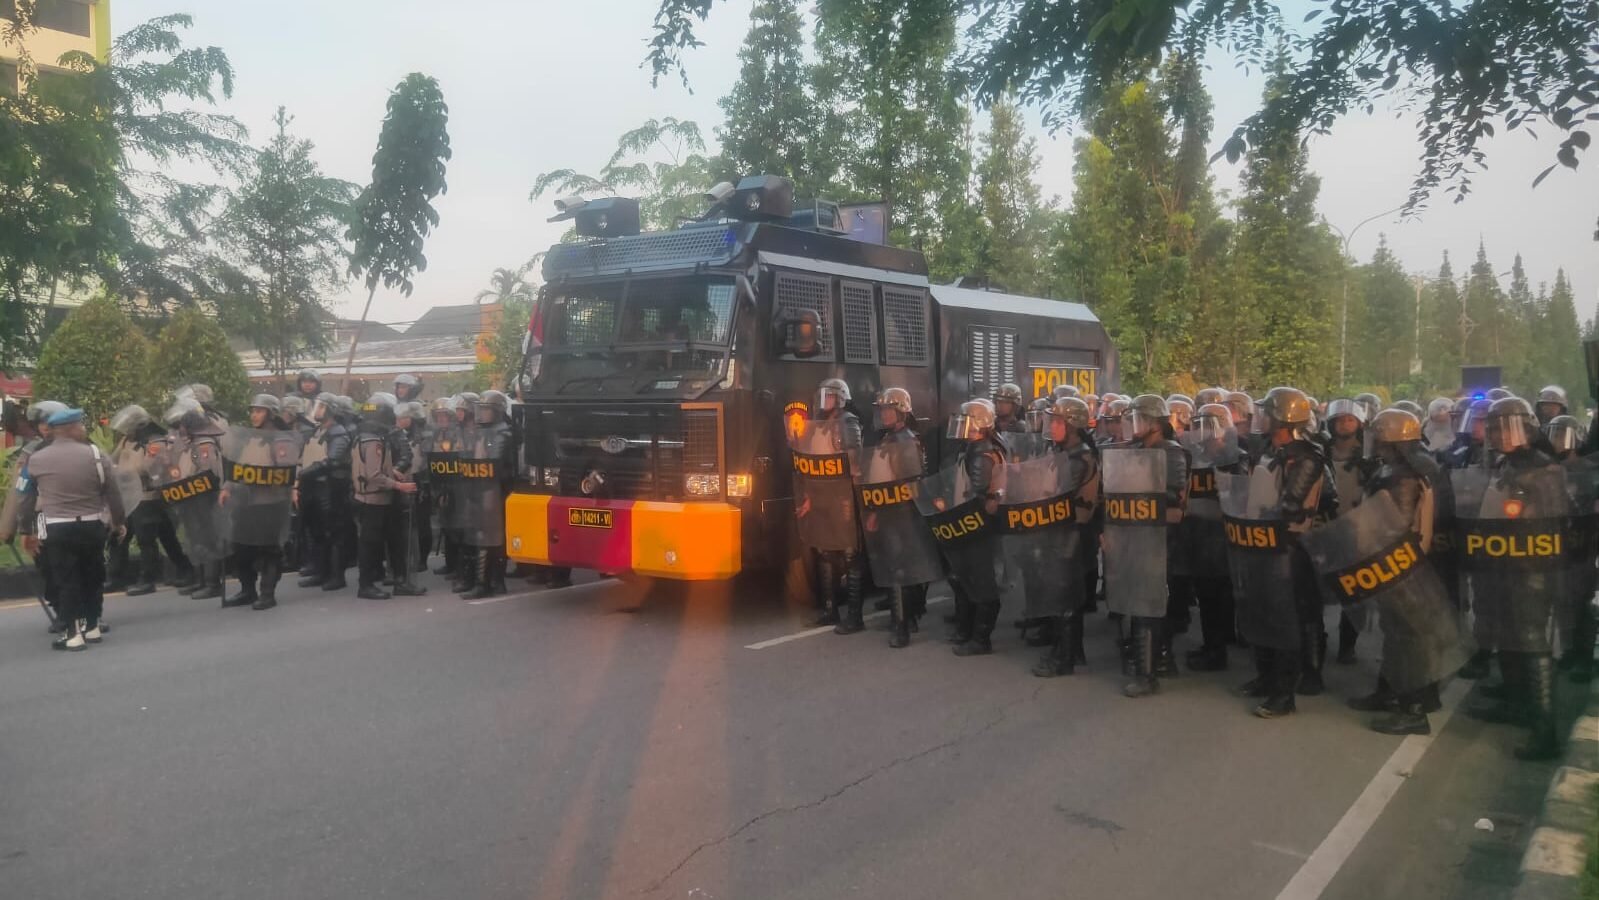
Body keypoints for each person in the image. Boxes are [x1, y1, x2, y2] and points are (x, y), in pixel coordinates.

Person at [1463, 397, 1568, 760]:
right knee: (1507, 634)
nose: (1497, 435)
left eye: (1503, 428)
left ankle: (1545, 730)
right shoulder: (1507, 463)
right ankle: (1514, 700)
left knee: (1532, 642)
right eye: (1493, 429)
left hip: (1531, 569)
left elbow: (1554, 524)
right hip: (1500, 562)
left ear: (1525, 428)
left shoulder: (1544, 469)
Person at [1346, 409, 1448, 734]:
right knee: (1396, 632)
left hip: (1401, 564)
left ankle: (1414, 710)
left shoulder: (1405, 474)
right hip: (1402, 562)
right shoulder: (1408, 464)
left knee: (1409, 636)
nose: (1373, 441)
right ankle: (1389, 693)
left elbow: (1397, 525)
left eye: (1379, 435)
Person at [1239, 386, 1331, 718]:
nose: (1262, 418)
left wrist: (1265, 514)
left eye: (1269, 412)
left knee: (1285, 618)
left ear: (1284, 418)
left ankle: (1284, 692)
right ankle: (1265, 677)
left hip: (1289, 546)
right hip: (1261, 539)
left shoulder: (1307, 456)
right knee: (1260, 609)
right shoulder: (1268, 449)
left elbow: (1291, 503)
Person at [18, 409, 126, 651]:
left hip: (57, 527)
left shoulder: (36, 459)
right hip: (92, 525)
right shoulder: (96, 455)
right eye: (81, 425)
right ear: (73, 428)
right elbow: (113, 493)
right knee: (93, 575)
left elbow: (25, 498)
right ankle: (93, 626)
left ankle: (73, 633)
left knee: (66, 579)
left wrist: (26, 530)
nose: (84, 429)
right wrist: (118, 522)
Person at [1104, 394, 1188, 698]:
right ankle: (1157, 661)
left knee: (1147, 608)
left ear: (1156, 423)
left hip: (1158, 538)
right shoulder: (1138, 449)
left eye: (1139, 418)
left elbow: (1174, 503)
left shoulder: (1172, 453)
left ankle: (1148, 674)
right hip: (1134, 535)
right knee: (1138, 604)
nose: (1133, 425)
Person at [859, 387, 935, 648]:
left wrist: (878, 510)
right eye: (882, 409)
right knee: (902, 566)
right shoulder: (895, 437)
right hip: (895, 511)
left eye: (889, 409)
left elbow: (900, 484)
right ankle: (909, 617)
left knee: (897, 569)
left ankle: (901, 626)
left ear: (902, 411)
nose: (884, 414)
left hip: (899, 512)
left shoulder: (903, 441)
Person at [1031, 395, 1099, 677]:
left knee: (1065, 596)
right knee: (1066, 593)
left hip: (1071, 530)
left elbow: (1056, 493)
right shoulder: (1065, 453)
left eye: (1057, 421)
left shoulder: (1078, 457)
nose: (1052, 425)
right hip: (1065, 529)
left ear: (1071, 425)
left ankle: (1064, 659)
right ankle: (1073, 651)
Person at [792, 378, 866, 630]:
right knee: (824, 552)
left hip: (842, 496)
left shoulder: (848, 423)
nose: (825, 402)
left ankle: (855, 617)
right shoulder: (817, 426)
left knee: (849, 554)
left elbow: (855, 465)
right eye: (823, 396)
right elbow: (811, 465)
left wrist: (856, 499)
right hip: (821, 495)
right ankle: (830, 610)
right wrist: (809, 497)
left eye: (830, 396)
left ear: (841, 398)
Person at [220, 395, 301, 610]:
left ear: (270, 414)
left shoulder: (281, 440)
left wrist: (291, 489)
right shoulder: (249, 438)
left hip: (270, 503)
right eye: (253, 410)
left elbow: (288, 473)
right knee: (241, 547)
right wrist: (227, 488)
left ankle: (267, 593)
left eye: (259, 411)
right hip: (244, 502)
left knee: (269, 550)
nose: (254, 415)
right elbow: (237, 468)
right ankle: (248, 590)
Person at [1183, 403, 1247, 672]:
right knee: (1206, 594)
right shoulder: (1196, 456)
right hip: (1198, 532)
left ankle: (1217, 651)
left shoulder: (1235, 459)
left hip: (1221, 533)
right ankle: (1211, 645)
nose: (1200, 431)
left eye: (1205, 425)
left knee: (1218, 594)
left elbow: (1241, 499)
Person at [106, 404, 193, 596]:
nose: (127, 431)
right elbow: (113, 460)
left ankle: (147, 579)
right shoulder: (127, 441)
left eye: (130, 427)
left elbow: (149, 469)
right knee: (121, 538)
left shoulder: (154, 442)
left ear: (140, 426)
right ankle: (115, 576)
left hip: (149, 497)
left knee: (147, 540)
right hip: (129, 496)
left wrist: (125, 472)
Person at [944, 399, 1008, 656]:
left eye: (966, 420)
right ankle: (967, 630)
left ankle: (980, 639)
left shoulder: (982, 454)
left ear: (978, 424)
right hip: (974, 522)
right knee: (964, 576)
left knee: (980, 580)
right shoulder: (975, 448)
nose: (961, 425)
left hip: (978, 523)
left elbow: (976, 494)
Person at [3, 400, 68, 630]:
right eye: (41, 423)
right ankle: (63, 610)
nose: (45, 428)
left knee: (83, 567)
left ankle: (89, 613)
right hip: (44, 520)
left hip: (79, 518)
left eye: (49, 423)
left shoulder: (83, 448)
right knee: (50, 567)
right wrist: (14, 528)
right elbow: (19, 493)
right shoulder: (31, 454)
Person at [352, 393, 420, 599]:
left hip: (377, 498)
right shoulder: (374, 441)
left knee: (395, 541)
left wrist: (393, 474)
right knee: (370, 544)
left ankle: (400, 582)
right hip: (374, 499)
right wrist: (399, 485)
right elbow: (374, 475)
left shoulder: (364, 437)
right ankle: (366, 586)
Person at [166, 396, 227, 601]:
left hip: (204, 499)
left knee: (207, 540)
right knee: (195, 540)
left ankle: (212, 583)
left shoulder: (204, 445)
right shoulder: (190, 444)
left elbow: (207, 474)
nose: (180, 429)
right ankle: (200, 581)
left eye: (183, 425)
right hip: (191, 499)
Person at [1325, 398, 1371, 666]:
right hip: (1326, 524)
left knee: (1353, 592)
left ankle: (1347, 644)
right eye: (1340, 419)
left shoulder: (1368, 453)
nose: (1344, 424)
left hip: (1356, 526)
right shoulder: (1321, 450)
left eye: (1350, 419)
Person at [459, 391, 514, 599]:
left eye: (487, 409)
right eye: (480, 409)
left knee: (488, 536)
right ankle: (495, 582)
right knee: (491, 536)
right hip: (482, 487)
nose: (482, 414)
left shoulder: (502, 433)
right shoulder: (481, 431)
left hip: (495, 488)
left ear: (498, 411)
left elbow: (492, 461)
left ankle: (484, 584)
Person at [296, 392, 353, 592]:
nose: (317, 410)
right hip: (313, 487)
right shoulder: (316, 431)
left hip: (331, 488)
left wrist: (305, 473)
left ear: (331, 410)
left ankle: (336, 576)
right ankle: (321, 572)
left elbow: (333, 461)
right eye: (316, 406)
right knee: (317, 532)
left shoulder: (339, 432)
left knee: (334, 533)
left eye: (321, 407)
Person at [396, 400, 434, 582]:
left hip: (421, 480)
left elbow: (427, 462)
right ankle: (410, 557)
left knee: (422, 522)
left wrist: (425, 485)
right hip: (405, 479)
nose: (399, 420)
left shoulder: (424, 435)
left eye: (404, 417)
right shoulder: (402, 435)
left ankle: (423, 558)